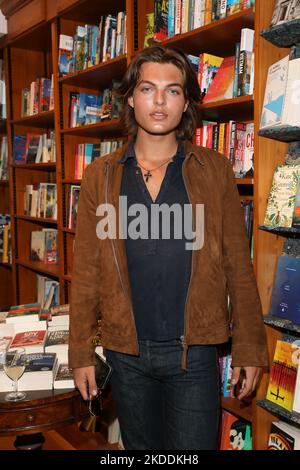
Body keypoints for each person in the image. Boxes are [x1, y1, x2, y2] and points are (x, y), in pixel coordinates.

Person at [69, 45, 268, 450]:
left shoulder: (213, 170)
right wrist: (80, 353)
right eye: (147, 88)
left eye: (172, 90)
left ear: (186, 102)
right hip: (126, 353)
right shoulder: (100, 176)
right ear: (130, 97)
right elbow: (87, 270)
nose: (159, 101)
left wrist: (249, 347)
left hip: (193, 356)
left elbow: (237, 264)